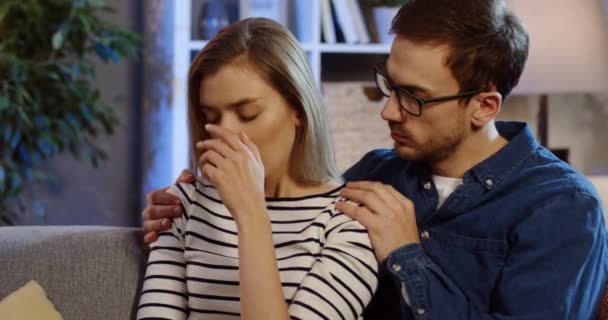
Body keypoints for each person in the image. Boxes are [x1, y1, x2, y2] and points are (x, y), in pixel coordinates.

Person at [142, 0, 608, 319]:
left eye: (414, 98)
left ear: (484, 106)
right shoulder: (377, 172)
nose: (388, 110)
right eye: (389, 84)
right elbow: (296, 209)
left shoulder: (562, 208)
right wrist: (192, 201)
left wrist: (409, 257)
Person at [136, 17, 378, 320]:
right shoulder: (185, 203)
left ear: (299, 110)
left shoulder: (348, 223)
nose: (227, 133)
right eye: (211, 115)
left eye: (247, 114)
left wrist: (249, 213)